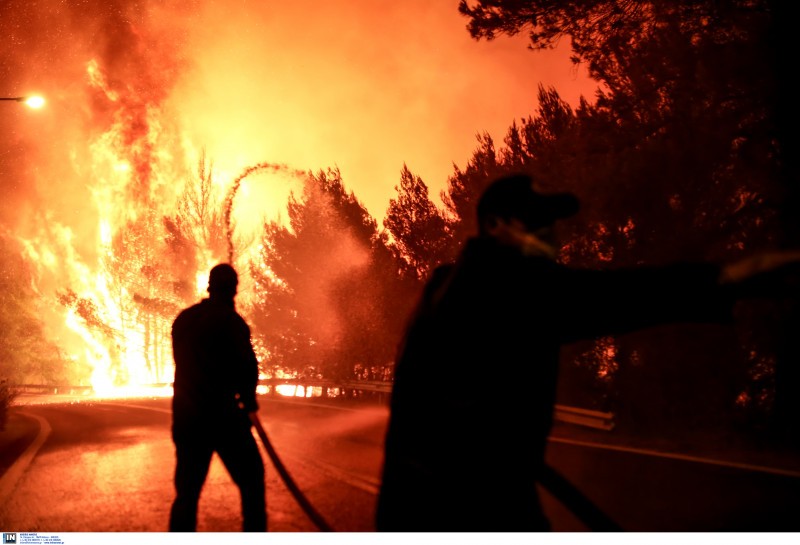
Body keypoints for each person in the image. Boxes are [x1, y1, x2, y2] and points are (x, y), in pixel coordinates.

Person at [375, 172, 800, 532]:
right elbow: (627, 296)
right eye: (537, 223)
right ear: (495, 226)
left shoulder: (446, 286)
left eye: (551, 224)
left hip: (422, 506)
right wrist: (735, 277)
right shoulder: (509, 289)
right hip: (467, 512)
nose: (552, 236)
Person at [169, 263, 266, 532]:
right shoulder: (232, 323)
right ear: (233, 289)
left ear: (210, 286)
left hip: (187, 421)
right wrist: (248, 401)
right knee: (252, 482)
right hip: (224, 420)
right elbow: (247, 368)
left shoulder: (184, 320)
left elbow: (184, 364)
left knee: (187, 495)